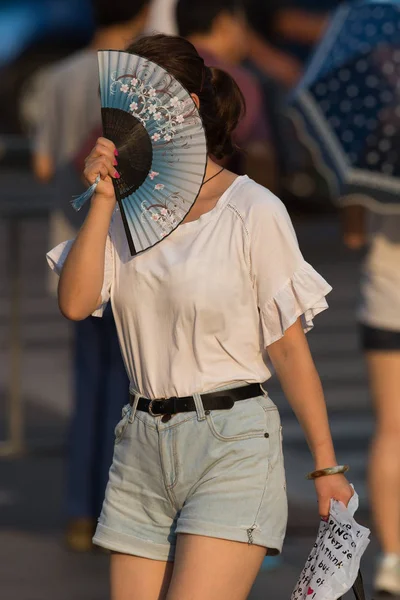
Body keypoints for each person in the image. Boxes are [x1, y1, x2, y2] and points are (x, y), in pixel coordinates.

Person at [46, 34, 353, 599]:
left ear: (186, 102)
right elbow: (74, 303)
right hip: (140, 441)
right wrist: (104, 203)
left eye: (139, 102)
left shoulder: (252, 209)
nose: (123, 120)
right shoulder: (120, 210)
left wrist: (327, 467)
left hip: (230, 441)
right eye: (119, 104)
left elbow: (287, 347)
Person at [32, 0, 149, 552]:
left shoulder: (56, 77)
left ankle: (79, 509)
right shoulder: (139, 79)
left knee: (87, 381)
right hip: (123, 249)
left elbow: (42, 164)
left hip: (72, 250)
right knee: (127, 388)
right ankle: (113, 505)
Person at [343, 205, 400, 596]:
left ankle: (392, 560)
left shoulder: (371, 153)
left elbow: (354, 236)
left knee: (391, 430)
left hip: (385, 302)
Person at [176, 0, 277, 191]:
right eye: (243, 24)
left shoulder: (153, 69)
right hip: (202, 203)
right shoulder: (237, 81)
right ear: (224, 23)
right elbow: (259, 155)